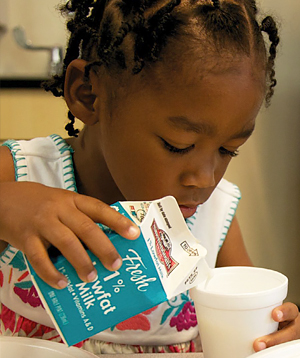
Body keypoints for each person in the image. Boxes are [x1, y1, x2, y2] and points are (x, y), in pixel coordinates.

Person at [0, 0, 299, 355]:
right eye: (178, 145)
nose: (204, 179)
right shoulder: (21, 173)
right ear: (88, 94)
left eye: (228, 150)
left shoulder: (213, 214)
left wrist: (277, 330)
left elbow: (253, 321)